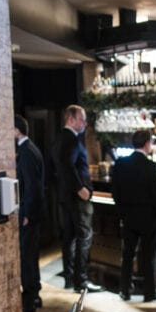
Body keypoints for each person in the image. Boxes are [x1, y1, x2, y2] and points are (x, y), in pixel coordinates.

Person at [52, 104, 102, 293]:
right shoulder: (71, 140)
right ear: (71, 119)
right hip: (77, 198)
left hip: (66, 197)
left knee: (70, 237)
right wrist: (80, 188)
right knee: (84, 237)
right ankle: (81, 281)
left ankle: (70, 278)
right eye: (82, 119)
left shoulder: (60, 139)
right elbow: (66, 165)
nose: (85, 123)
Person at [111, 129, 156, 302]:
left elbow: (115, 192)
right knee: (148, 256)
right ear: (147, 144)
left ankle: (125, 290)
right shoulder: (151, 166)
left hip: (128, 216)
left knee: (127, 255)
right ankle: (150, 292)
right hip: (148, 216)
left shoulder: (120, 164)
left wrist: (122, 211)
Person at [14, 114, 45, 312]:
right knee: (31, 255)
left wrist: (26, 213)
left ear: (16, 130)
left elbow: (31, 187)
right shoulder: (31, 149)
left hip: (29, 214)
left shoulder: (26, 152)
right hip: (34, 212)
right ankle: (35, 294)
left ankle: (30, 300)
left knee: (26, 256)